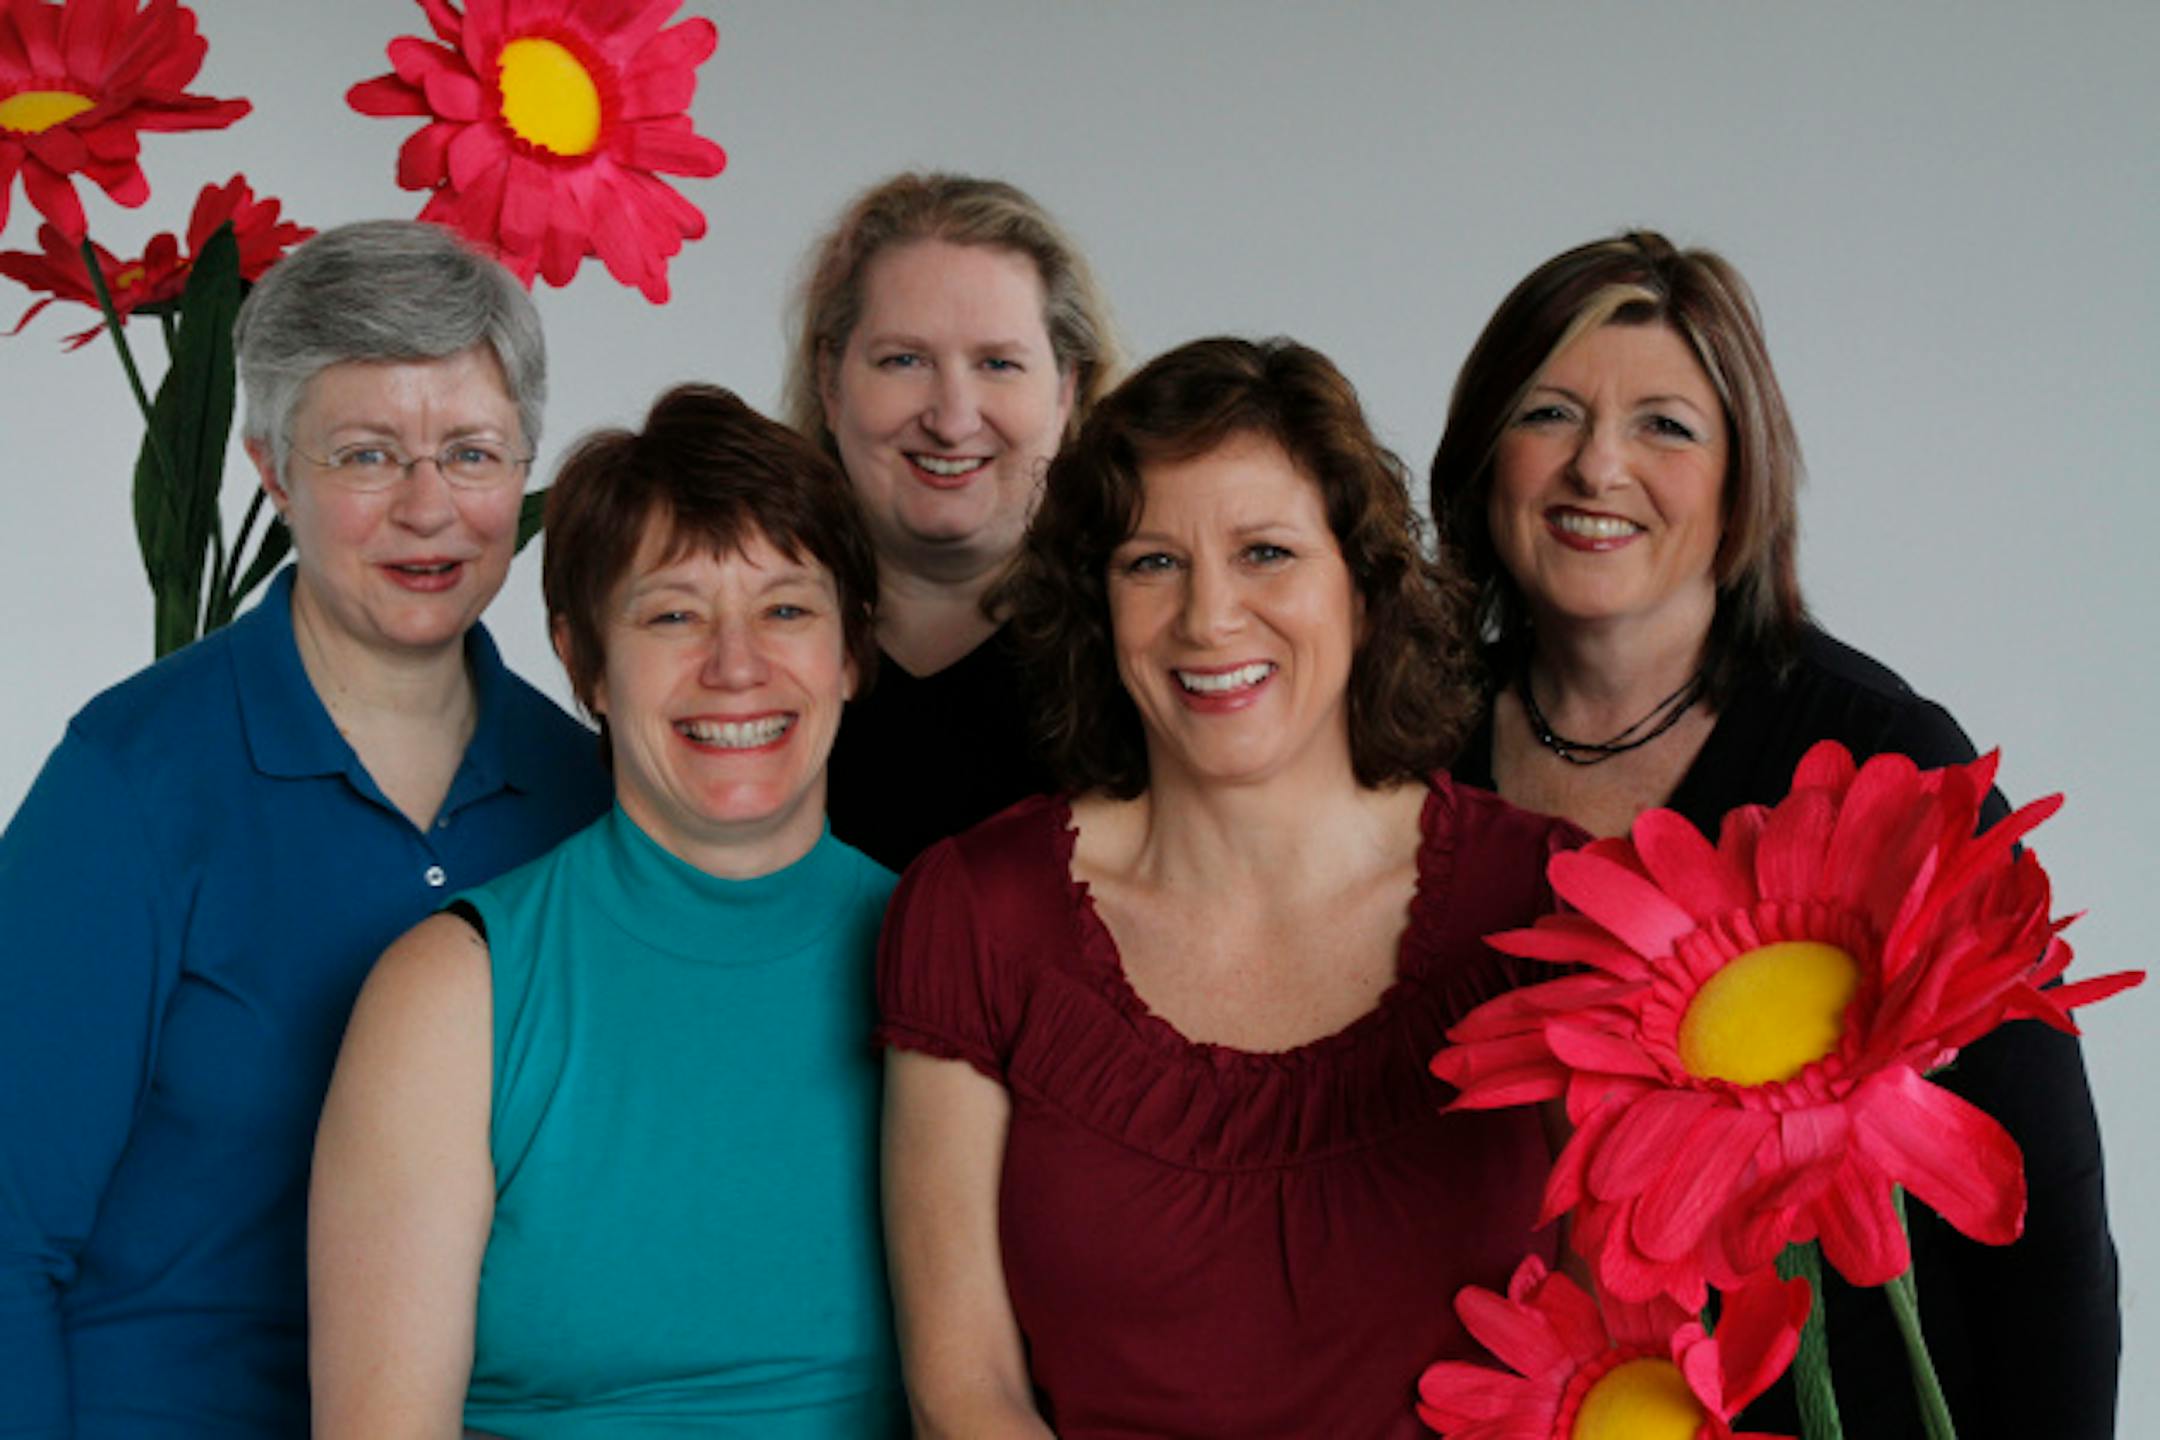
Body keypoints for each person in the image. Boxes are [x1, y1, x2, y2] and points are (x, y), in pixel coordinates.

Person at [1428, 230, 2121, 1439]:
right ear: (1487, 456)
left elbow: (2049, 1218)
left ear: (1743, 479)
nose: (1598, 467)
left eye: (1665, 426)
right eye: (1549, 414)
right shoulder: (1401, 750)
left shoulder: (1884, 761)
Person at [877, 337, 1579, 1437]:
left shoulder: (1550, 902)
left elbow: (1623, 1350)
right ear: (1098, 607)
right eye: (1153, 563)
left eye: (1265, 553)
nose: (1208, 618)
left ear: (1364, 586)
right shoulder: (975, 910)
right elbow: (967, 1395)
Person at [0, 220, 608, 1437]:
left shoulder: (584, 791)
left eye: (473, 453)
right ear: (272, 469)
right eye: (367, 456)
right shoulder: (131, 782)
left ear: (528, 461)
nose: (429, 510)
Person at [309, 384, 906, 1437]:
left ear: (852, 653)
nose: (736, 667)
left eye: (786, 610)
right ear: (584, 661)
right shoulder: (454, 995)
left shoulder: (953, 958)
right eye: (672, 613)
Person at [783, 171, 1119, 871]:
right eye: (904, 360)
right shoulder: (746, 653)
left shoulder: (1140, 652)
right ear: (830, 381)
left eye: (998, 363)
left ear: (1067, 390)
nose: (951, 418)